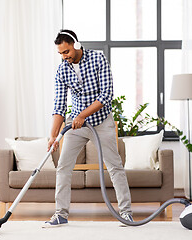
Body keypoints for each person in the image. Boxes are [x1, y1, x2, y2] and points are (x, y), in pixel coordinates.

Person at [43, 29, 133, 228]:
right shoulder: (62, 70)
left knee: (115, 167)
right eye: (60, 53)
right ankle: (61, 214)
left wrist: (82, 115)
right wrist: (53, 136)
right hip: (77, 126)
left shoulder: (98, 59)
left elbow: (107, 94)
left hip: (101, 123)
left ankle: (126, 213)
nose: (64, 57)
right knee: (64, 167)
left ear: (75, 44)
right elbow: (59, 106)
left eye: (66, 51)